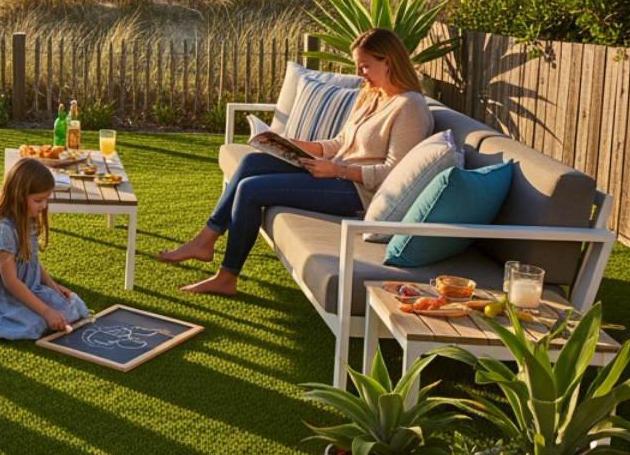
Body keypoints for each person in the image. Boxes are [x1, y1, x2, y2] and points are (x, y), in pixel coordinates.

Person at [161, 26, 434, 296]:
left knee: (250, 190)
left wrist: (338, 170)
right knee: (251, 164)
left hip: (357, 192)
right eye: (357, 66)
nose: (358, 74)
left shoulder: (410, 107)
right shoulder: (372, 95)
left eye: (364, 66)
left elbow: (394, 173)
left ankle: (226, 277)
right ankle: (204, 241)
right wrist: (286, 143)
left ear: (387, 61)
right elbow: (339, 143)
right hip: (333, 171)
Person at [0, 157, 90, 339]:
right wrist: (45, 311)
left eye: (45, 200)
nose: (44, 206)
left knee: (73, 309)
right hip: (0, 295)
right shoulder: (3, 230)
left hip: (27, 286)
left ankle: (42, 309)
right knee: (35, 323)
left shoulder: (28, 218)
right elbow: (10, 282)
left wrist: (53, 287)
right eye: (38, 200)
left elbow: (31, 259)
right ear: (19, 197)